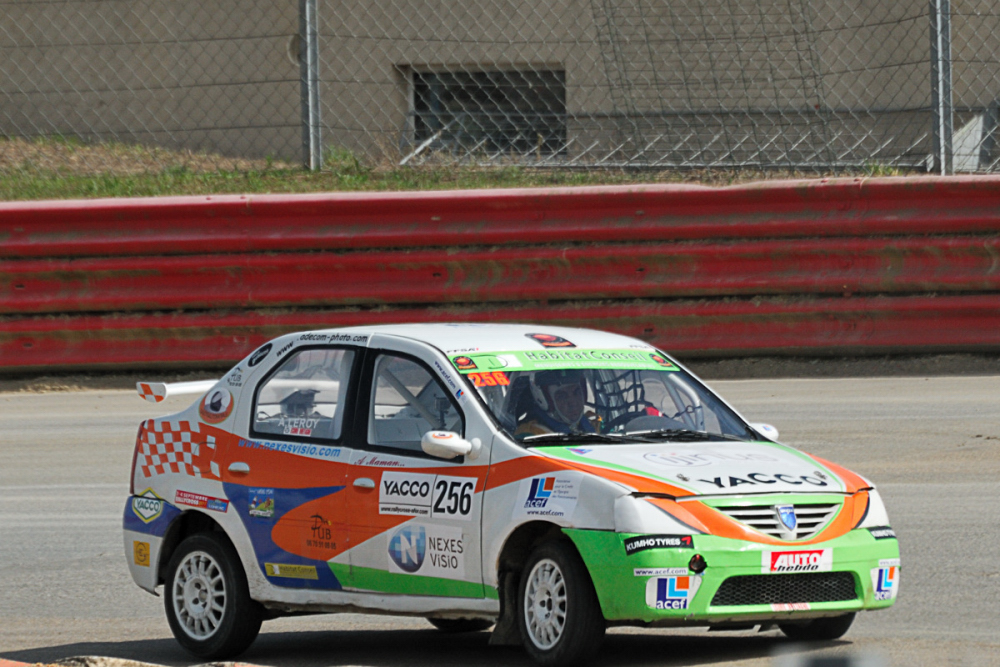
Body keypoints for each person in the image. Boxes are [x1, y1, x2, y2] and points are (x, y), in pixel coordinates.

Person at [515, 369, 601, 437]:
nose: (573, 403)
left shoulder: (595, 423)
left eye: (577, 393)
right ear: (545, 400)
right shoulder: (528, 435)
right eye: (562, 396)